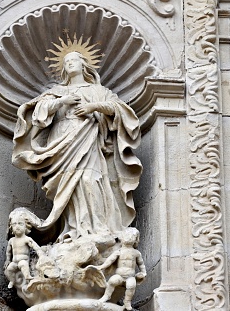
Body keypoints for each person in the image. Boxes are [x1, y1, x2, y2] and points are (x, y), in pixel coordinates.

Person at [12, 50, 142, 241]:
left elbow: (119, 109)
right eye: (66, 62)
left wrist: (94, 106)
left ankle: (97, 229)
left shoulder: (99, 91)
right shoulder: (57, 91)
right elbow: (38, 111)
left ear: (83, 64)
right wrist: (61, 102)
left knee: (90, 179)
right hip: (62, 141)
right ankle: (73, 230)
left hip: (89, 140)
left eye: (74, 60)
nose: (70, 64)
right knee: (68, 185)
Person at [97, 227, 146, 310]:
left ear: (135, 240)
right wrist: (102, 267)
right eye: (127, 236)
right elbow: (110, 260)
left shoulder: (136, 253)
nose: (129, 239)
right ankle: (106, 296)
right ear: (122, 238)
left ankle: (127, 302)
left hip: (130, 276)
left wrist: (143, 272)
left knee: (131, 286)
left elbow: (141, 264)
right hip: (119, 275)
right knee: (112, 281)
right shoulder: (119, 251)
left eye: (132, 237)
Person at [4, 209, 44, 288]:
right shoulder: (11, 240)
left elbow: (35, 247)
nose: (17, 227)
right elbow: (8, 252)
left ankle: (28, 277)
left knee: (23, 265)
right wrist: (7, 260)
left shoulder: (27, 239)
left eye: (20, 224)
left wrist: (41, 254)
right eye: (14, 224)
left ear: (26, 227)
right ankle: (12, 280)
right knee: (8, 269)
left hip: (23, 260)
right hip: (14, 262)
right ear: (11, 227)